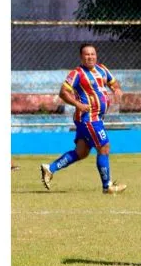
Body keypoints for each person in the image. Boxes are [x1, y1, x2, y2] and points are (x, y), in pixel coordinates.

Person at [40, 44, 126, 194]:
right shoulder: (77, 73)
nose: (90, 57)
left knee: (82, 152)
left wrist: (117, 89)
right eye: (87, 54)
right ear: (81, 57)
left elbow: (113, 82)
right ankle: (107, 187)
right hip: (89, 118)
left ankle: (50, 168)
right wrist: (78, 104)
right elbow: (63, 92)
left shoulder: (102, 69)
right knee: (104, 147)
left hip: (95, 117)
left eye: (93, 54)